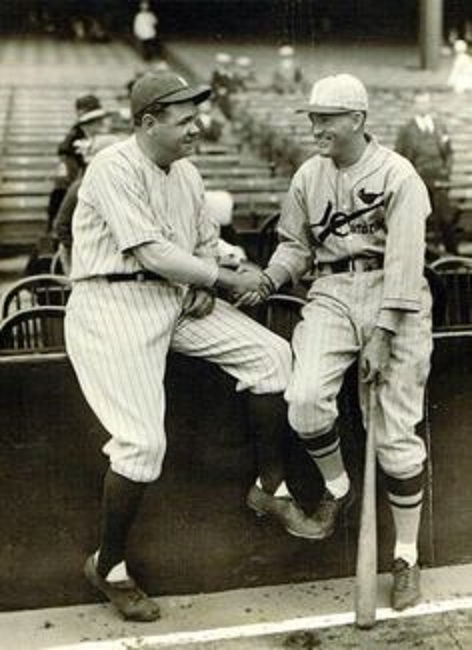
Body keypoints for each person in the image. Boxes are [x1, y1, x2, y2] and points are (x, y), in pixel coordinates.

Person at [65, 70, 322, 622]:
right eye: (184, 120)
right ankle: (108, 566)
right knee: (141, 444)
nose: (196, 128)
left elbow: (205, 244)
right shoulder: (112, 165)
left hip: (174, 300)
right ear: (147, 122)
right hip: (112, 305)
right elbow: (152, 253)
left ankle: (269, 486)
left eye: (196, 116)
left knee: (273, 355)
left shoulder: (186, 174)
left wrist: (226, 268)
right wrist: (217, 280)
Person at [238, 74, 433, 612]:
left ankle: (406, 557)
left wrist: (385, 331)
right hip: (330, 289)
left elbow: (406, 261)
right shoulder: (308, 174)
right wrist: (269, 280)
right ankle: (340, 492)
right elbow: (295, 246)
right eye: (312, 117)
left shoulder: (399, 175)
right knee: (303, 402)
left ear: (358, 120)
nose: (315, 126)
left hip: (396, 294)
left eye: (326, 117)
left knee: (394, 438)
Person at [395, 90, 459, 254]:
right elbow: (398, 157)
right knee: (418, 218)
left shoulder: (439, 126)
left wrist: (446, 170)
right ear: (414, 105)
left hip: (439, 180)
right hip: (418, 181)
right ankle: (422, 256)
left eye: (425, 102)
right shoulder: (406, 130)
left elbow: (449, 152)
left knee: (445, 215)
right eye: (419, 103)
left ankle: (453, 255)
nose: (423, 106)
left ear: (430, 104)